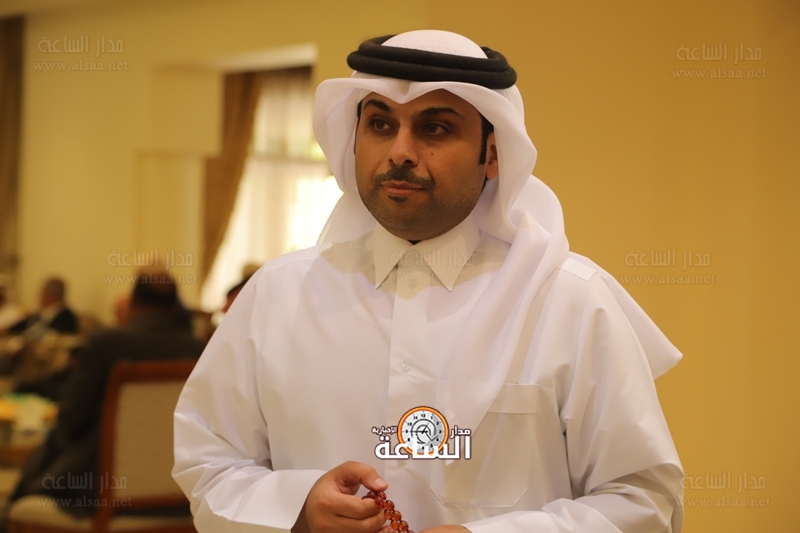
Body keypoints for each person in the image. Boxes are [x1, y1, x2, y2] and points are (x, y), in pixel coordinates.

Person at [173, 30, 684, 533]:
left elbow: (643, 500)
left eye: (434, 128)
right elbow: (209, 465)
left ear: (493, 154)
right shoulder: (278, 294)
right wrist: (297, 507)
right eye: (379, 124)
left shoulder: (568, 300)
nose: (400, 152)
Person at [5, 270, 206, 519]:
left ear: (133, 302)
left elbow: (70, 420)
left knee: (26, 488)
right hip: (182, 500)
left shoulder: (106, 345)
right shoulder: (202, 351)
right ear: (176, 306)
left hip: (100, 495)